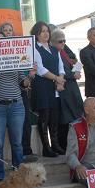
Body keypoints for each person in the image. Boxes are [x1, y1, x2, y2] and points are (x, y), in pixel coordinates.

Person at [0, 30, 35, 184]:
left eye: (2, 41)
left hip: (16, 106)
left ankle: (19, 174)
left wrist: (29, 76)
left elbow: (23, 83)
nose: (0, 44)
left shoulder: (15, 58)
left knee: (17, 143)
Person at [0, 22, 37, 160]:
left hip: (20, 92)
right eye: (5, 30)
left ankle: (26, 150)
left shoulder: (20, 49)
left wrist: (30, 76)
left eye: (10, 30)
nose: (8, 33)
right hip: (0, 97)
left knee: (25, 121)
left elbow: (23, 76)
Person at [31, 21, 66, 157]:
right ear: (36, 34)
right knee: (44, 117)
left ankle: (56, 145)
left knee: (54, 118)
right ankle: (46, 147)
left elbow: (61, 67)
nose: (46, 33)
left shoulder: (54, 49)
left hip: (55, 87)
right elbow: (40, 69)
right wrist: (56, 78)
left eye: (47, 31)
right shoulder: (34, 49)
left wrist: (60, 80)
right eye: (42, 31)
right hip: (42, 87)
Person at [51, 28, 83, 149]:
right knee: (64, 118)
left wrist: (76, 70)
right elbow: (57, 71)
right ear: (53, 42)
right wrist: (71, 74)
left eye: (64, 41)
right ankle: (63, 145)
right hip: (63, 89)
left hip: (71, 88)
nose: (63, 43)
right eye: (60, 41)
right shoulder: (53, 53)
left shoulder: (64, 52)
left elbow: (72, 64)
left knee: (75, 116)